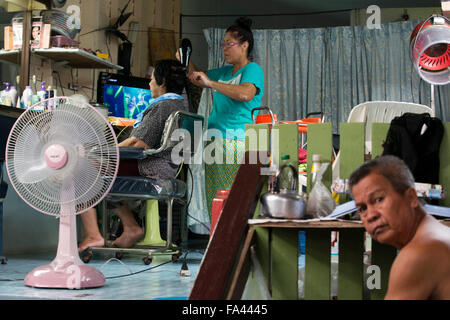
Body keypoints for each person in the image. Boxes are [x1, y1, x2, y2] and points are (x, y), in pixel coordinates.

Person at [78, 59, 188, 252]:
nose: (149, 83)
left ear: (162, 82)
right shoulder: (182, 105)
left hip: (149, 167)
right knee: (101, 169)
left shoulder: (162, 106)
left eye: (152, 79)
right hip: (166, 167)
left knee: (81, 167)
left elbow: (138, 143)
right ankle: (130, 227)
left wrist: (101, 151)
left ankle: (93, 235)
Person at [178, 17, 264, 216]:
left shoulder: (252, 69)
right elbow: (198, 78)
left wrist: (211, 83)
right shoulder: (225, 72)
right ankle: (217, 239)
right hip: (215, 141)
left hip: (236, 141)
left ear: (244, 45)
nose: (224, 48)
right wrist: (185, 58)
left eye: (229, 43)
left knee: (230, 196)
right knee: (215, 197)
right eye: (223, 43)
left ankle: (231, 241)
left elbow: (245, 93)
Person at [349, 155, 450, 299]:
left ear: (411, 198)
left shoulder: (417, 255)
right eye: (362, 208)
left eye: (379, 199)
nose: (370, 215)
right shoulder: (437, 235)